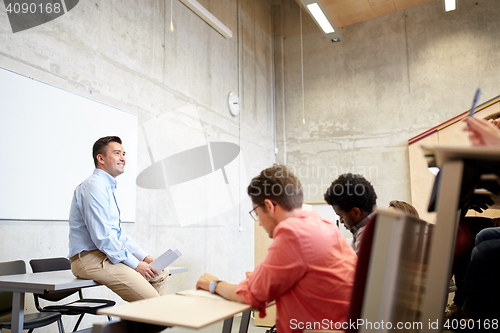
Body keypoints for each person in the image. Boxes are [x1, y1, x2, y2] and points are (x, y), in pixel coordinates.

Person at [196, 165, 357, 333]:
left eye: (258, 214)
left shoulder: (292, 234)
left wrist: (214, 284)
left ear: (269, 206)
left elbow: (250, 296)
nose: (259, 222)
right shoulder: (325, 226)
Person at [68, 136, 168, 302]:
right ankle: (150, 316)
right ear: (100, 158)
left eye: (123, 154)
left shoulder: (106, 187)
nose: (123, 158)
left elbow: (117, 234)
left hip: (104, 255)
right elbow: (103, 237)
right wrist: (136, 265)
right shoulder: (94, 186)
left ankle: (146, 320)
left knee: (160, 272)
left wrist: (144, 257)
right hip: (89, 259)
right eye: (117, 153)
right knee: (152, 301)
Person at [324, 173, 377, 254]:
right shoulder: (381, 224)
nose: (341, 221)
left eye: (341, 216)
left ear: (356, 212)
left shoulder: (365, 236)